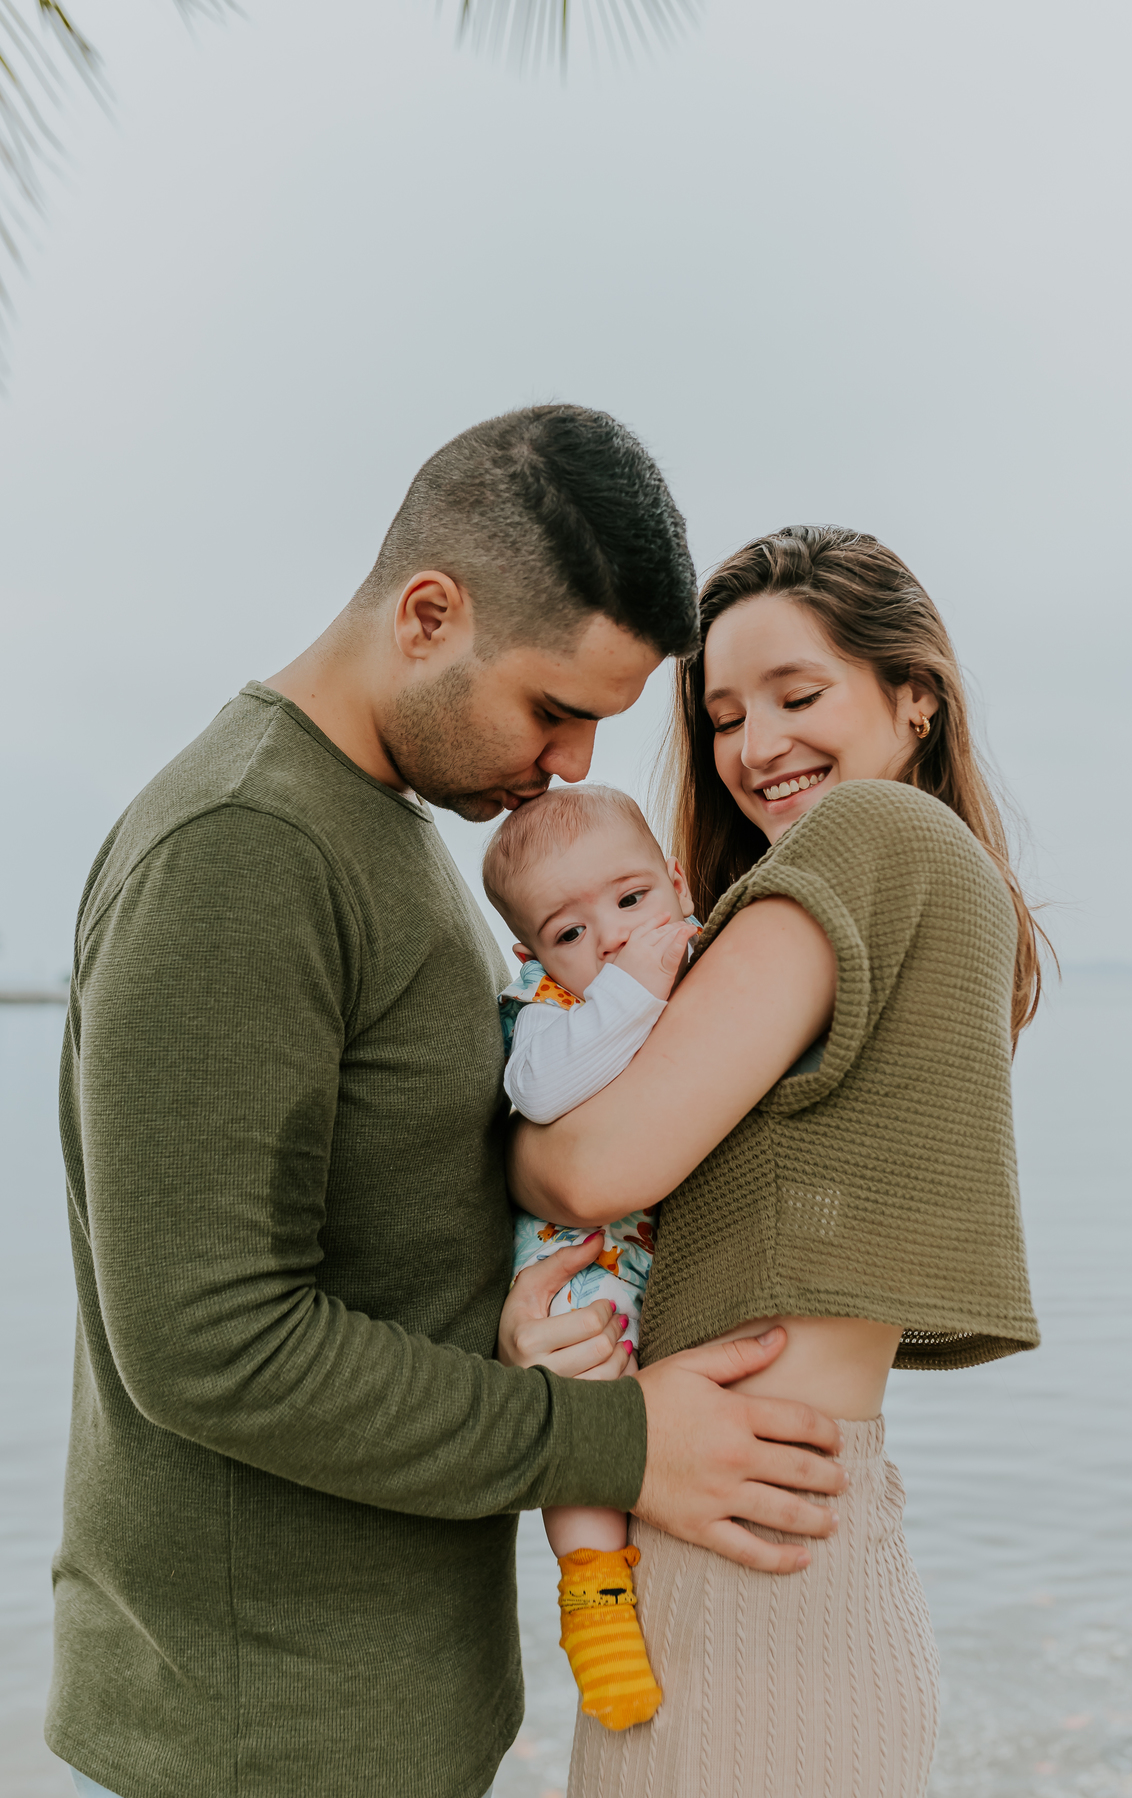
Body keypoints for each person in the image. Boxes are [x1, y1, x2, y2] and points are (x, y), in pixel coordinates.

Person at [47, 412, 848, 1798]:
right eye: (555, 708)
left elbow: (411, 1217)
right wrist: (618, 1438)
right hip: (254, 1743)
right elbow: (208, 1342)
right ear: (429, 614)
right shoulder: (241, 850)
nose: (580, 764)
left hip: (383, 1712)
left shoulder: (401, 832)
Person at [506, 525, 1044, 1798]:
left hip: (757, 1554)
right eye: (726, 716)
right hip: (748, 1526)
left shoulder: (869, 837)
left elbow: (597, 1172)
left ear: (915, 696)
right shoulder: (899, 889)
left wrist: (531, 1161)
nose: (756, 748)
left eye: (800, 697)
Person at [482, 784, 699, 1730]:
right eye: (571, 931)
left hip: (676, 1264)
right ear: (534, 954)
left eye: (629, 900)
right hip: (585, 1266)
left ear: (676, 883)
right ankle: (594, 1600)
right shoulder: (550, 1011)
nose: (609, 939)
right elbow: (539, 1092)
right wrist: (630, 990)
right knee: (582, 1419)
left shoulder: (717, 967)